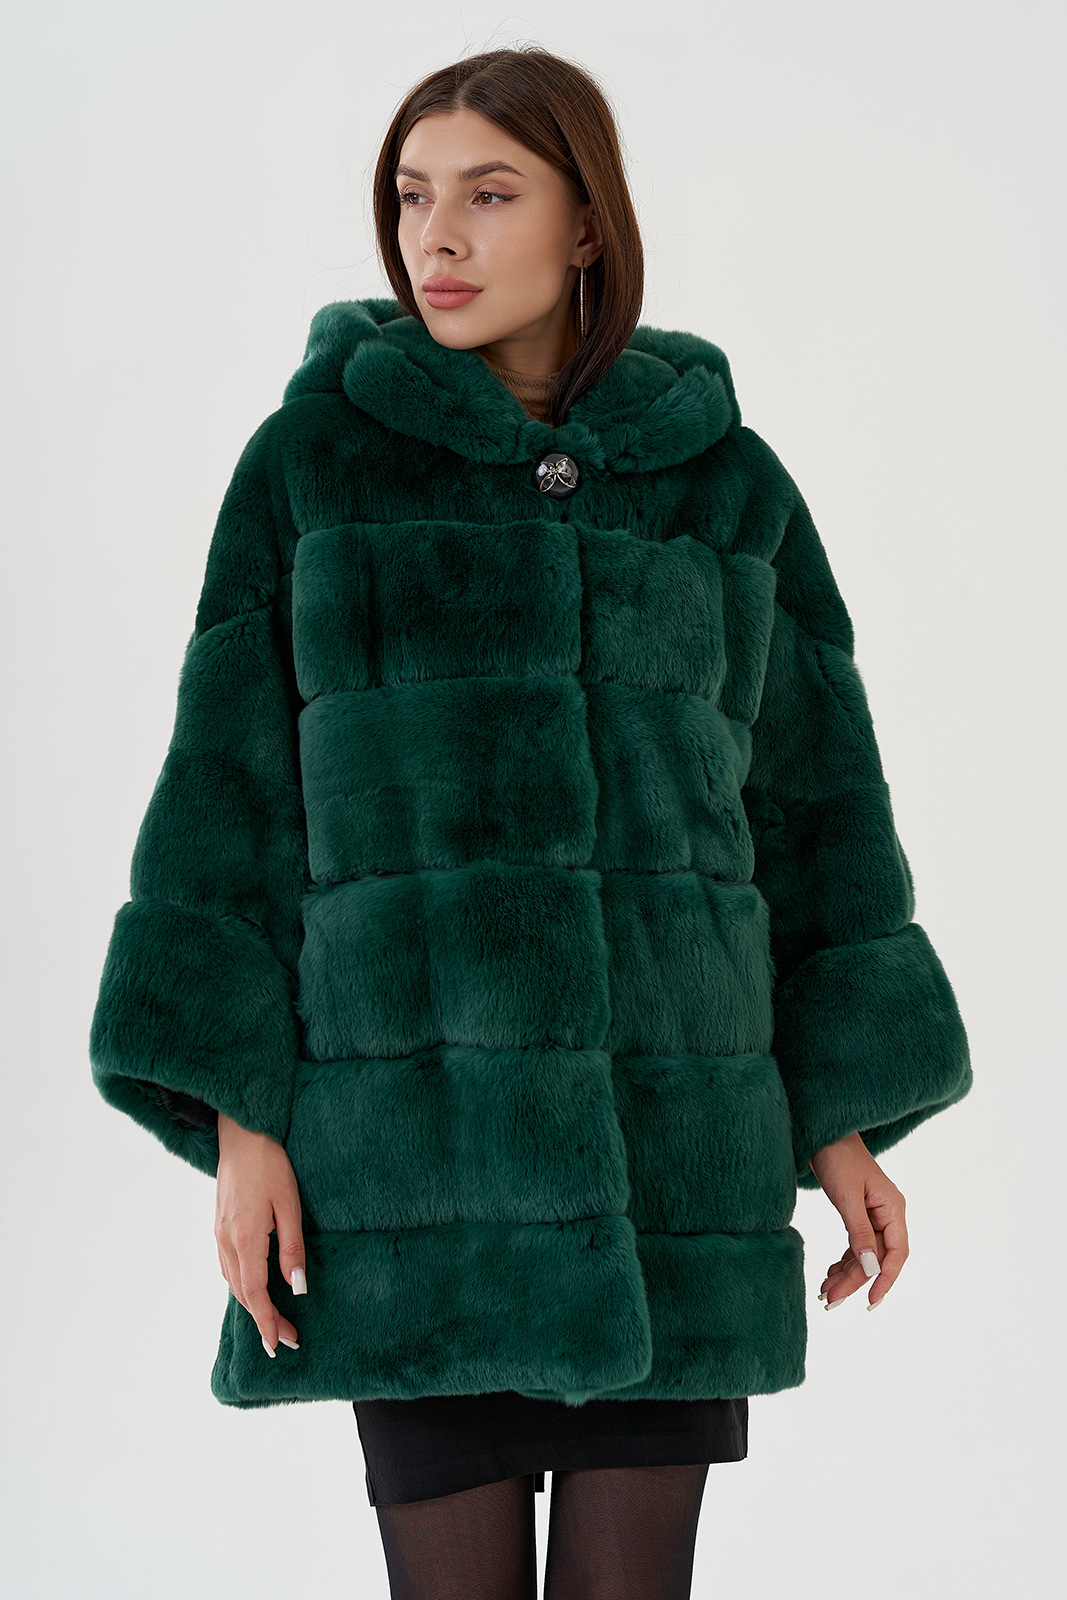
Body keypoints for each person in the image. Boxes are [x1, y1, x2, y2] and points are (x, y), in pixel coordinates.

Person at [88, 44, 972, 1600]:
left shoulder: (727, 489)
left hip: (672, 1170)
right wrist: (240, 1121)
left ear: (586, 226)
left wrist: (834, 1115)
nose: (435, 236)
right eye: (411, 196)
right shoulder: (312, 471)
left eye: (488, 195)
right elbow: (227, 813)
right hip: (414, 1172)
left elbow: (812, 817)